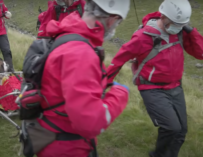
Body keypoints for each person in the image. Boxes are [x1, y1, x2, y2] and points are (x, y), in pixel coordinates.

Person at [106, 0, 203, 157]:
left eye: (181, 24)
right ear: (164, 16)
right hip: (151, 88)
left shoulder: (180, 32)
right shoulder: (143, 36)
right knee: (171, 127)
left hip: (175, 87)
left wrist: (190, 30)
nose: (177, 27)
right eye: (175, 23)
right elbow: (119, 59)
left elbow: (202, 54)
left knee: (181, 132)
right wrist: (104, 83)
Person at [35, 0, 131, 156]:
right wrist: (120, 94)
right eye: (118, 22)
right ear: (112, 19)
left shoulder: (68, 33)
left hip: (52, 135)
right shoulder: (81, 54)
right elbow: (90, 123)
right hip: (68, 147)